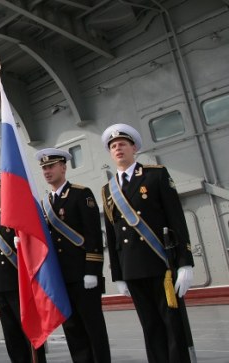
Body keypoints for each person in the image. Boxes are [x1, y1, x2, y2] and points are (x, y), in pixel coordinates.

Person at [101, 123, 194, 363]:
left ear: (134, 148)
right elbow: (112, 235)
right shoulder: (108, 190)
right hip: (132, 268)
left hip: (160, 264)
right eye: (113, 146)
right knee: (150, 327)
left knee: (172, 325)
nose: (118, 148)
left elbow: (176, 219)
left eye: (122, 144)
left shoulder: (155, 175)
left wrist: (185, 262)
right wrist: (118, 275)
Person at [35, 149, 111, 363]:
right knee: (73, 329)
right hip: (61, 277)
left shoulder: (80, 194)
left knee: (93, 328)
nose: (47, 171)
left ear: (63, 167)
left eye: (51, 166)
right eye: (44, 168)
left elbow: (93, 234)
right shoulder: (45, 203)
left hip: (83, 276)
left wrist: (92, 270)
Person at [0, 173, 46, 363]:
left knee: (29, 332)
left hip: (19, 283)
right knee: (11, 334)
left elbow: (36, 245)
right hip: (0, 285)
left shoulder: (18, 213)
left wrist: (23, 243)